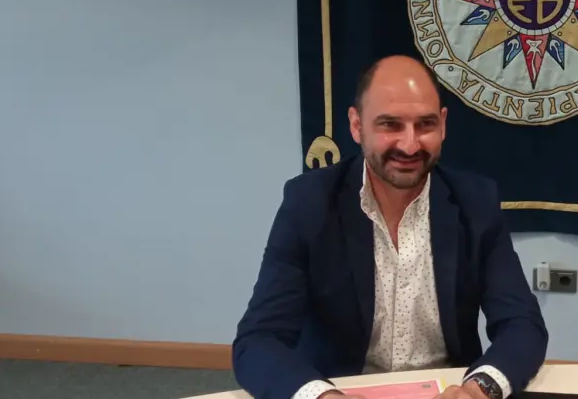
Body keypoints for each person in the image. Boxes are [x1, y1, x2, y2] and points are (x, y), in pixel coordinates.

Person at [233, 56, 548, 399]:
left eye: (425, 124)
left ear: (443, 125)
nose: (410, 145)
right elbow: (258, 340)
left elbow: (522, 325)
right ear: (357, 126)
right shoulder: (309, 204)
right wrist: (322, 397)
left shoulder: (476, 202)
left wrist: (478, 389)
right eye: (390, 125)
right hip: (341, 391)